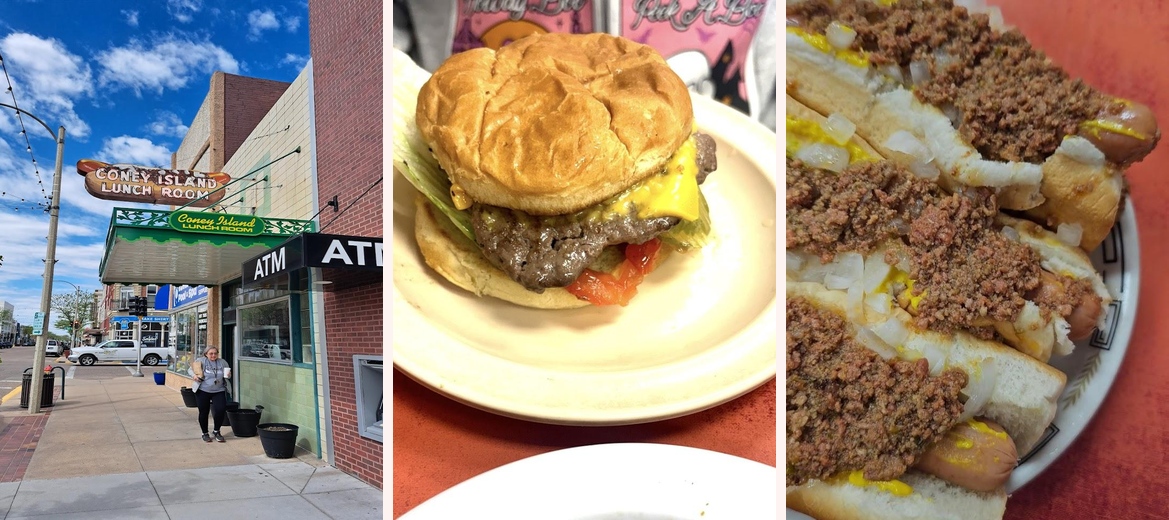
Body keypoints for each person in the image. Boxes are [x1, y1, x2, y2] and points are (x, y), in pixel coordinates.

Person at [190, 347, 230, 443]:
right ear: (206, 354)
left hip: (219, 390)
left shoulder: (222, 362)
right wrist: (194, 376)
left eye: (215, 353)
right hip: (203, 390)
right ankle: (205, 433)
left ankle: (216, 431)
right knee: (204, 412)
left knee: (220, 410)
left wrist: (229, 375)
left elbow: (228, 374)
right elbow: (190, 370)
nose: (213, 355)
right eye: (211, 353)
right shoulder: (201, 361)